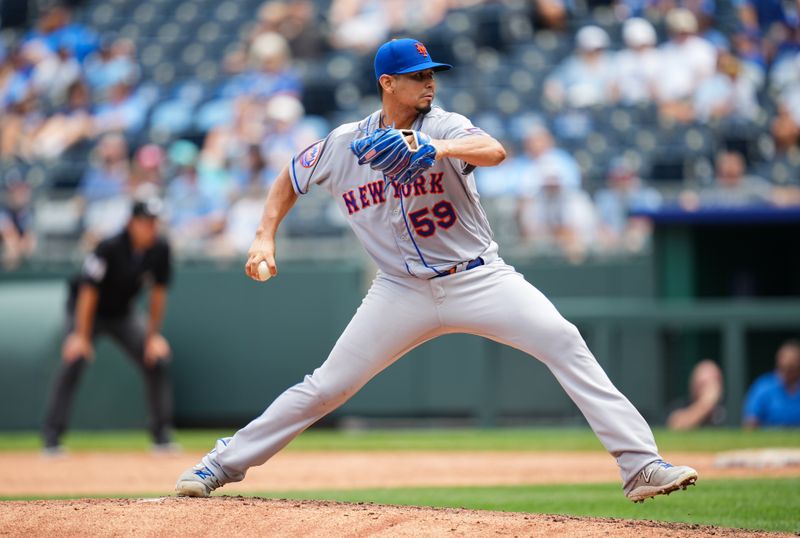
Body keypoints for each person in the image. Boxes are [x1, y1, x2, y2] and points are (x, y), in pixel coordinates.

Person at [175, 38, 698, 503]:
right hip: (398, 291)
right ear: (387, 83)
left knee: (563, 339)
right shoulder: (343, 143)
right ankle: (222, 463)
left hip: (478, 277)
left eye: (432, 75)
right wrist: (264, 235)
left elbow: (493, 150)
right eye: (418, 76)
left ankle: (640, 466)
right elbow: (289, 178)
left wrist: (435, 147)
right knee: (327, 387)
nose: (430, 83)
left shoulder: (444, 124)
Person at [42, 198, 175, 454]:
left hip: (123, 314)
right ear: (131, 223)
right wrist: (80, 335)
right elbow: (87, 292)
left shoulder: (160, 249)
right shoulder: (109, 247)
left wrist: (153, 336)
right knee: (74, 360)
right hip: (86, 312)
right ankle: (52, 437)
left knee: (155, 359)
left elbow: (159, 294)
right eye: (145, 222)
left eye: (154, 223)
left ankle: (161, 436)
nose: (151, 228)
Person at [743, 340, 800, 428]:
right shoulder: (763, 386)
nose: (787, 373)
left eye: (792, 368)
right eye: (784, 368)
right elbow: (751, 421)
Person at [667, 360, 726, 430]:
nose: (707, 389)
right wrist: (706, 403)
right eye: (702, 385)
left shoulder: (728, 407)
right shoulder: (682, 405)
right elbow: (675, 427)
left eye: (711, 384)